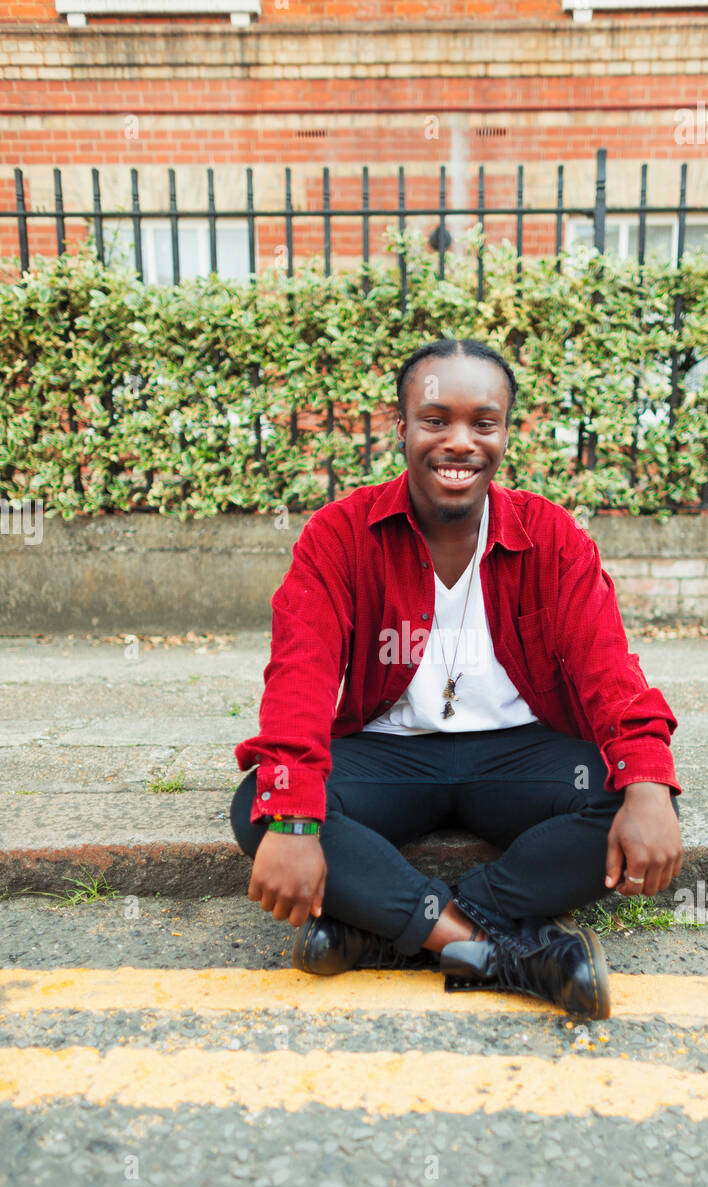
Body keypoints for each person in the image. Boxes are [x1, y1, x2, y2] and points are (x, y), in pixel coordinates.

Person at [230, 337, 683, 1018]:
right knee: (257, 807)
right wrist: (294, 821)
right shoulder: (340, 535)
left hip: (517, 752)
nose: (460, 442)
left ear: (505, 432)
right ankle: (500, 955)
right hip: (388, 754)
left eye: (484, 422)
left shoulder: (551, 536)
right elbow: (300, 674)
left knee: (632, 803)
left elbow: (609, 669)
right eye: (436, 420)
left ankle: (391, 932)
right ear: (402, 427)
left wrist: (647, 782)